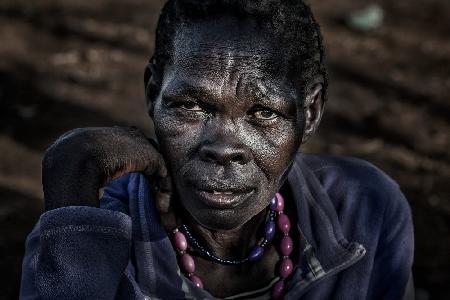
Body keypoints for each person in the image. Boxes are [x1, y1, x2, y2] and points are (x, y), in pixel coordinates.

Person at [20, 0, 414, 299]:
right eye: (190, 106)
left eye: (263, 112)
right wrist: (71, 181)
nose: (224, 148)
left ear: (309, 113)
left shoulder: (364, 209)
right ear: (154, 93)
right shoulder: (94, 235)